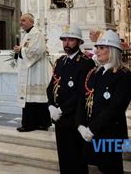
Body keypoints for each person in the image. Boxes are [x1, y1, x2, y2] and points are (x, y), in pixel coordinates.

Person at [76, 30, 131, 174]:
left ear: (113, 50)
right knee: (95, 167)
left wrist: (92, 128)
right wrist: (80, 125)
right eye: (98, 47)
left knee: (111, 169)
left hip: (109, 134)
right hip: (91, 133)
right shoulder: (95, 72)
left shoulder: (123, 75)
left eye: (102, 48)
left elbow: (115, 108)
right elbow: (83, 99)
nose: (97, 50)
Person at [47, 25, 95, 174]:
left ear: (79, 42)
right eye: (65, 40)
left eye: (71, 40)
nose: (67, 43)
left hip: (75, 118)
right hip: (59, 118)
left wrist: (61, 109)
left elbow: (82, 93)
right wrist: (50, 106)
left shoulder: (86, 62)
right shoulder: (61, 61)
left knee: (76, 158)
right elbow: (51, 87)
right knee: (64, 156)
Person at [14, 13, 51, 132]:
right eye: (21, 20)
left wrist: (21, 50)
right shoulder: (27, 34)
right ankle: (38, 123)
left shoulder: (37, 34)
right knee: (31, 98)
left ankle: (30, 124)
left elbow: (38, 51)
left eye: (23, 20)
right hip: (29, 69)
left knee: (34, 98)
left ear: (31, 21)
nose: (21, 22)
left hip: (35, 71)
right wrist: (20, 51)